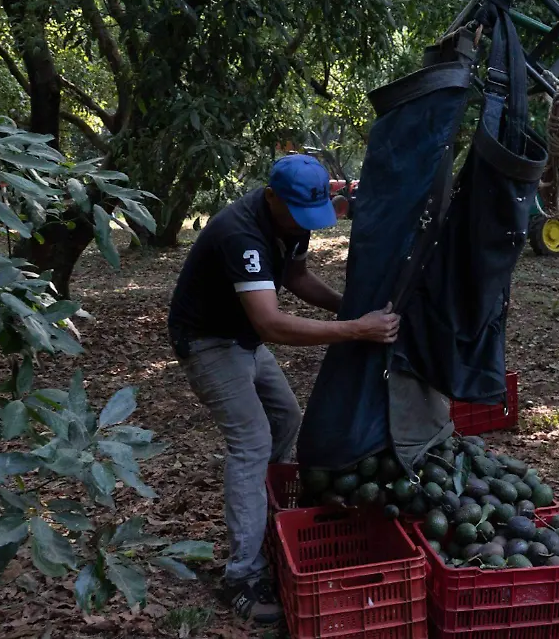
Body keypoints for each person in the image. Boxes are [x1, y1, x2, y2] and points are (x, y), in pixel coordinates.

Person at [166, 154, 399, 624]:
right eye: (296, 214)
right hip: (209, 341)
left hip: (243, 337)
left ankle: (262, 513)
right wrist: (355, 329)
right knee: (250, 442)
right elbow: (271, 322)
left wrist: (345, 306)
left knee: (285, 418)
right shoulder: (240, 233)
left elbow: (294, 276)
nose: (303, 225)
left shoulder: (292, 218)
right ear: (271, 196)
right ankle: (242, 575)